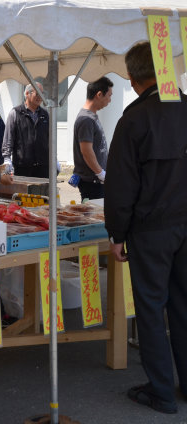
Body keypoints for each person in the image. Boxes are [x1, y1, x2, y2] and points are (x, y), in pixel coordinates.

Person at [105, 41, 187, 415]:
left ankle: (161, 392)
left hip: (151, 228)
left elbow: (121, 185)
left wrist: (117, 234)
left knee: (152, 308)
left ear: (134, 78)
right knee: (184, 306)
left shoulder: (134, 118)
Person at [72, 76, 113, 200]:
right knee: (93, 217)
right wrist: (101, 173)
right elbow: (86, 151)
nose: (110, 100)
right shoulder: (86, 119)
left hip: (96, 181)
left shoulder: (91, 116)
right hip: (92, 182)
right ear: (99, 95)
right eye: (109, 96)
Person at [2, 82, 50, 178]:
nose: (40, 97)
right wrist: (7, 158)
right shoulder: (16, 113)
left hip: (43, 166)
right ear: (27, 94)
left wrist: (54, 158)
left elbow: (50, 139)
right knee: (23, 193)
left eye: (42, 94)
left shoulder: (45, 114)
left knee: (43, 192)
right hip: (23, 166)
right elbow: (8, 138)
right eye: (37, 94)